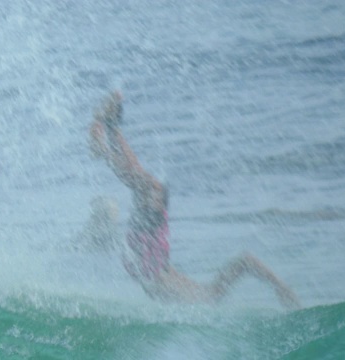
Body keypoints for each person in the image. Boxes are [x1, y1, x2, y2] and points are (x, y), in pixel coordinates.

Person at [88, 91, 300, 308]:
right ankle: (110, 126)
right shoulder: (207, 295)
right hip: (151, 259)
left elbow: (244, 262)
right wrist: (280, 287)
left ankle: (105, 142)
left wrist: (280, 287)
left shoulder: (203, 297)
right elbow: (245, 261)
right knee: (145, 184)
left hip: (148, 262)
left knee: (146, 185)